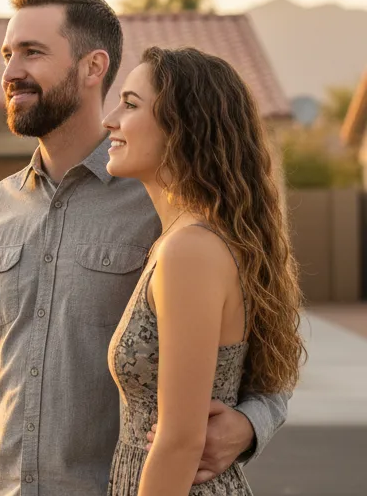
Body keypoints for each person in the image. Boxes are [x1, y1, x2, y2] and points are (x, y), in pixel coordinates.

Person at [0, 0, 291, 496]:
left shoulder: (165, 207)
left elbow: (264, 356)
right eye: (7, 55)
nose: (11, 72)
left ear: (93, 67)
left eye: (33, 53)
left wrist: (249, 425)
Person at [102, 46, 306, 495]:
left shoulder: (189, 250)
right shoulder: (182, 240)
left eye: (131, 104)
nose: (109, 119)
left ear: (182, 127)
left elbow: (178, 441)